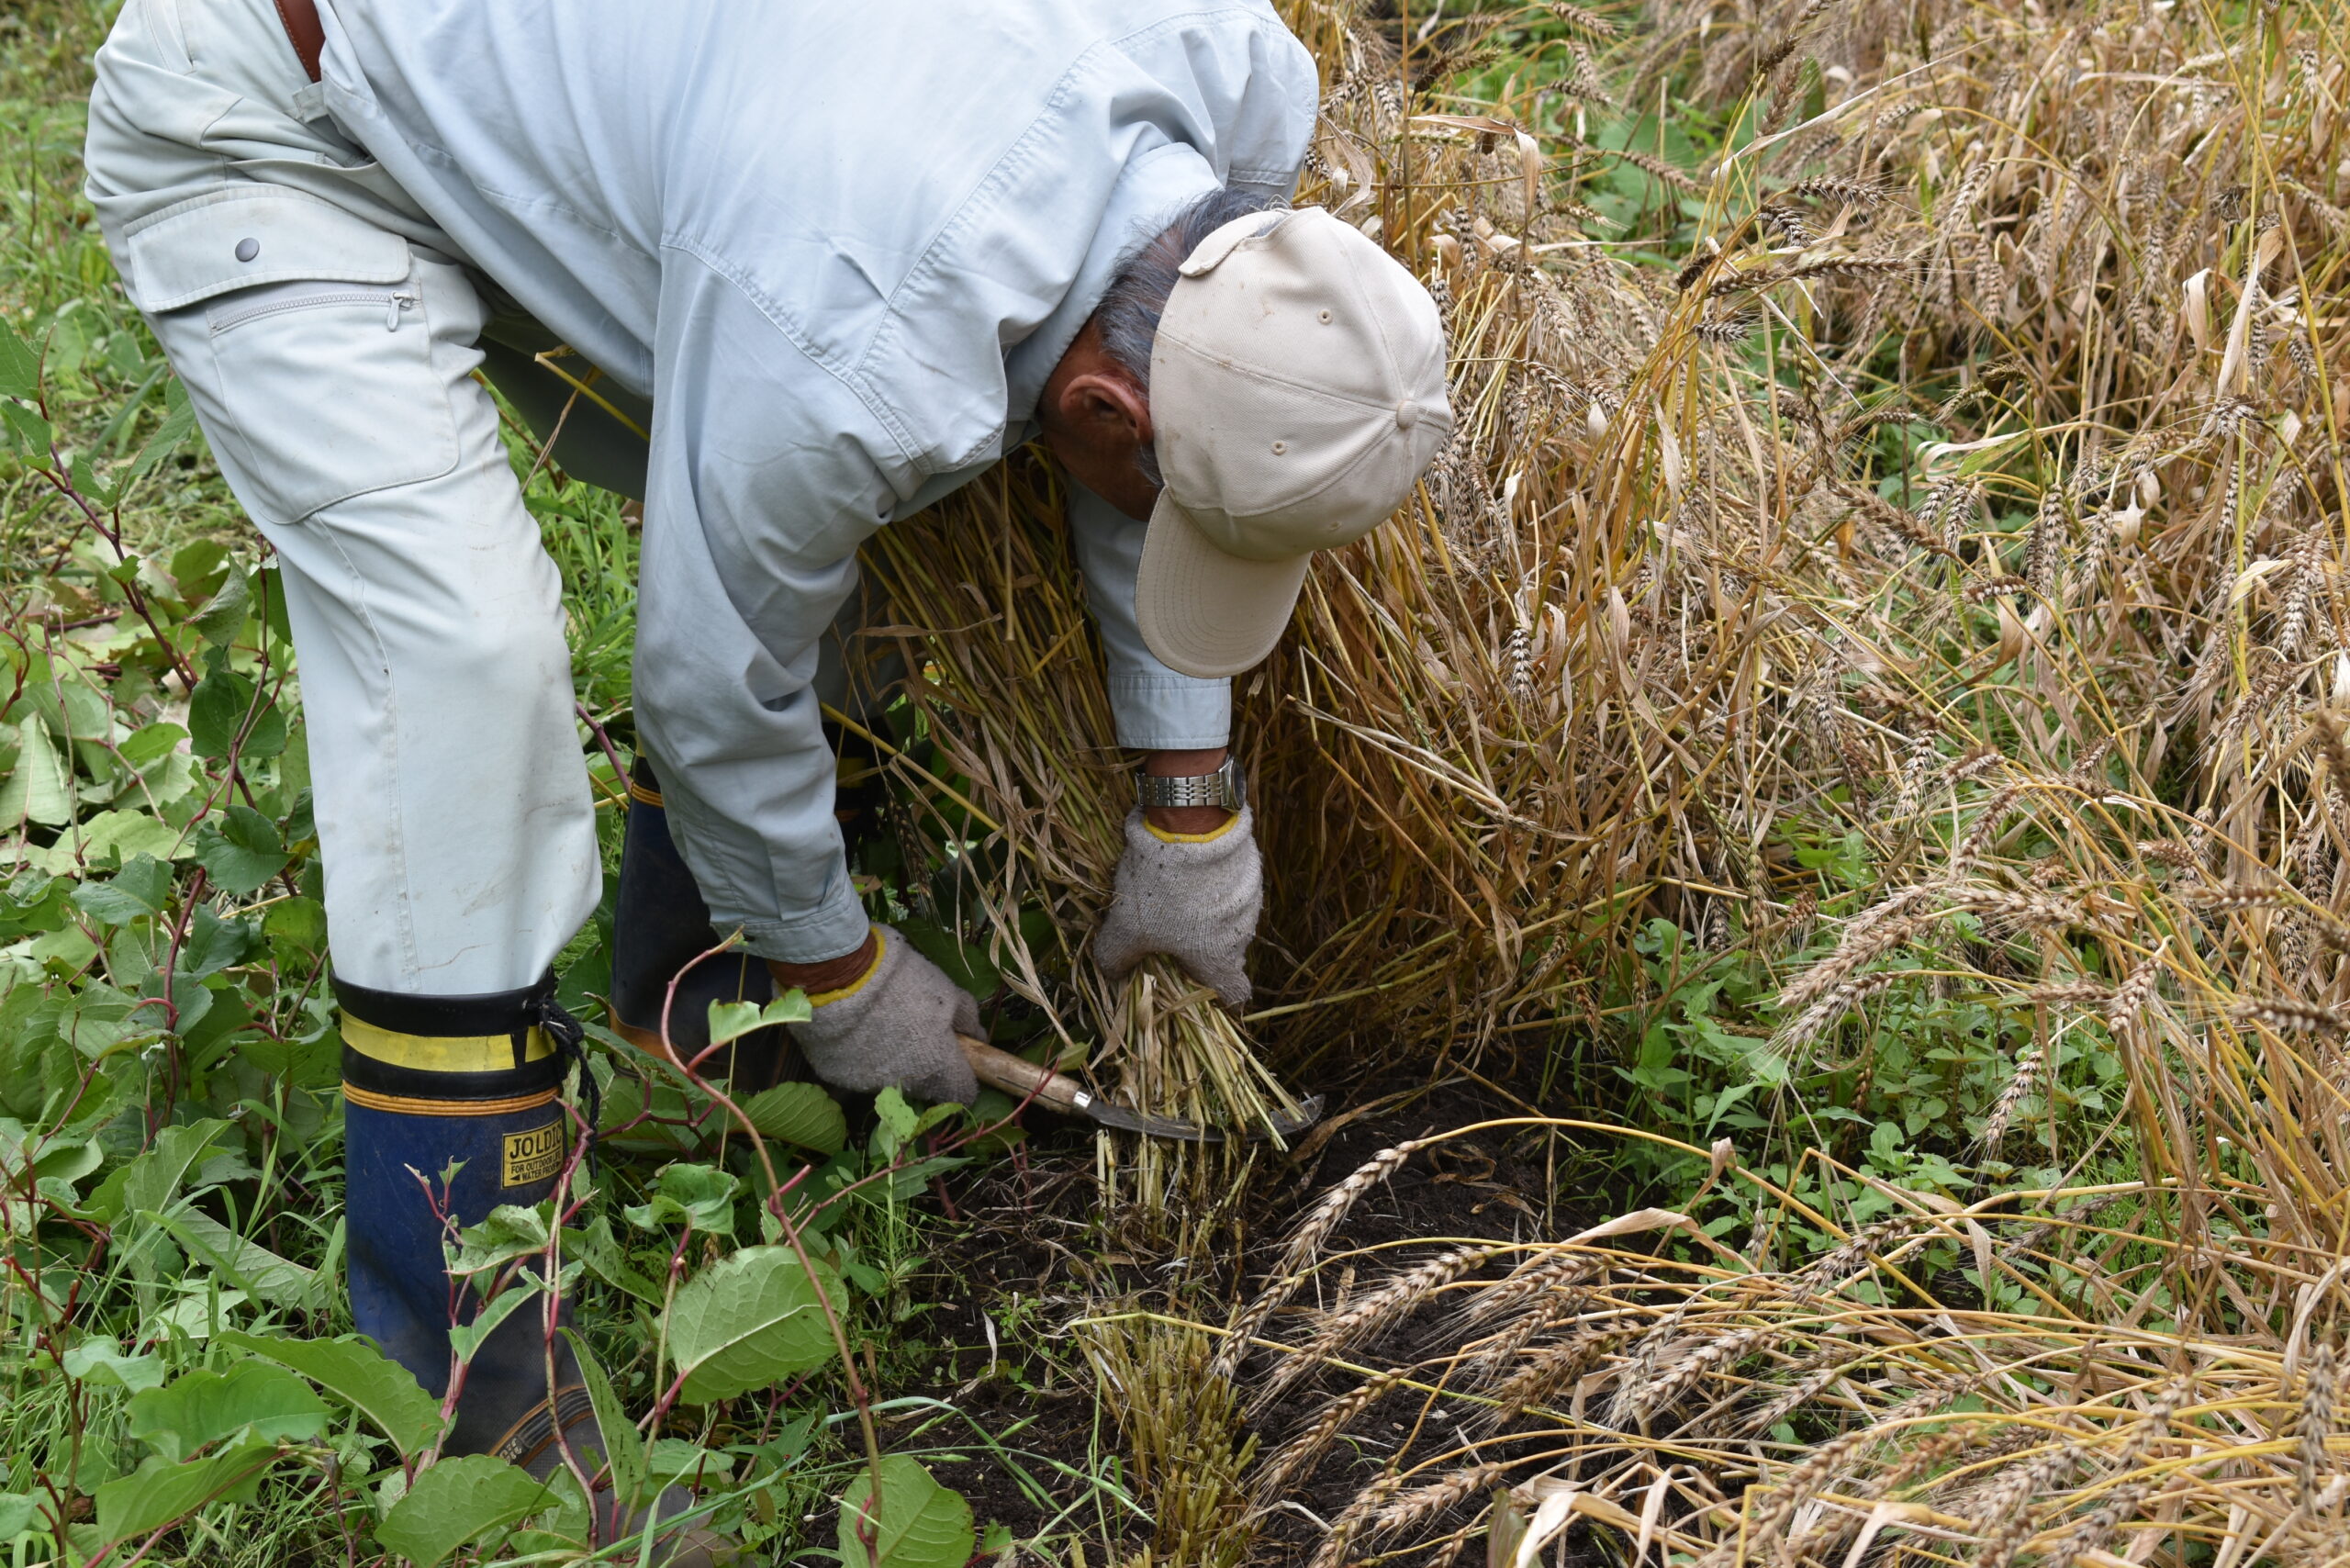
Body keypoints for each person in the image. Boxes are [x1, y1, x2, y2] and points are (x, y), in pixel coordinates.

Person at [83, 0, 1451, 1559]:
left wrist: (1188, 810)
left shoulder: (1235, 76)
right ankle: (474, 1395)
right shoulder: (850, 333)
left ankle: (696, 1013)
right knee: (463, 668)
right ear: (1100, 413)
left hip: (615, 122)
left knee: (868, 492)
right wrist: (848, 968)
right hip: (286, 114)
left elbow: (1167, 413)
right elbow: (709, 682)